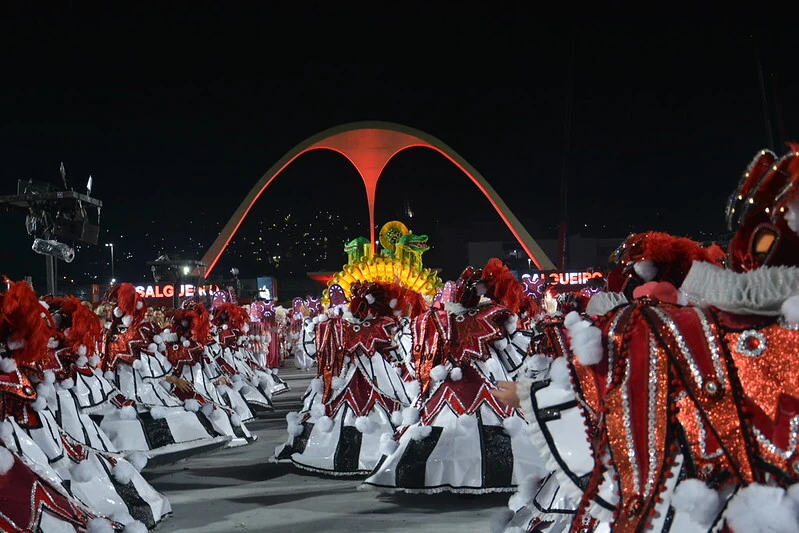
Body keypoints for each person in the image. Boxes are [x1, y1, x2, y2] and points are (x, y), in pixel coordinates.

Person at [491, 143, 799, 532]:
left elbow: (623, 374)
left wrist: (533, 394)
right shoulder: (695, 323)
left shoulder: (678, 328)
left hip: (722, 501)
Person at [363, 258, 543, 494]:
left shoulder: (440, 318)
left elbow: (419, 356)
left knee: (440, 422)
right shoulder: (487, 315)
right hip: (479, 379)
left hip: (452, 382)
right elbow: (510, 353)